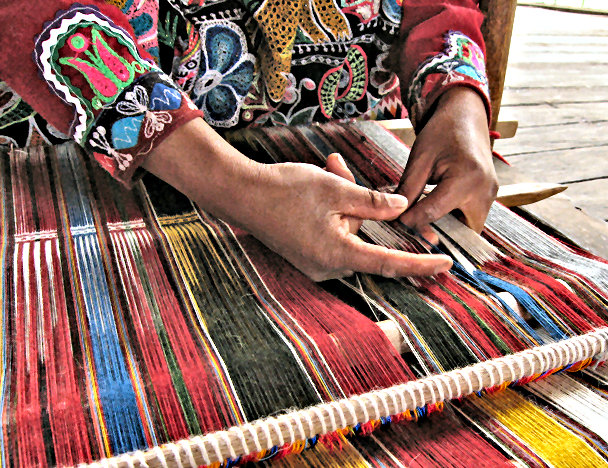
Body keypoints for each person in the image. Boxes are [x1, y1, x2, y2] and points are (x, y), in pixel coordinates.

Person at [0, 0, 497, 281]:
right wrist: (238, 186)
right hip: (68, 167)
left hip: (337, 135)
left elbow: (444, 7)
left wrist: (458, 97)